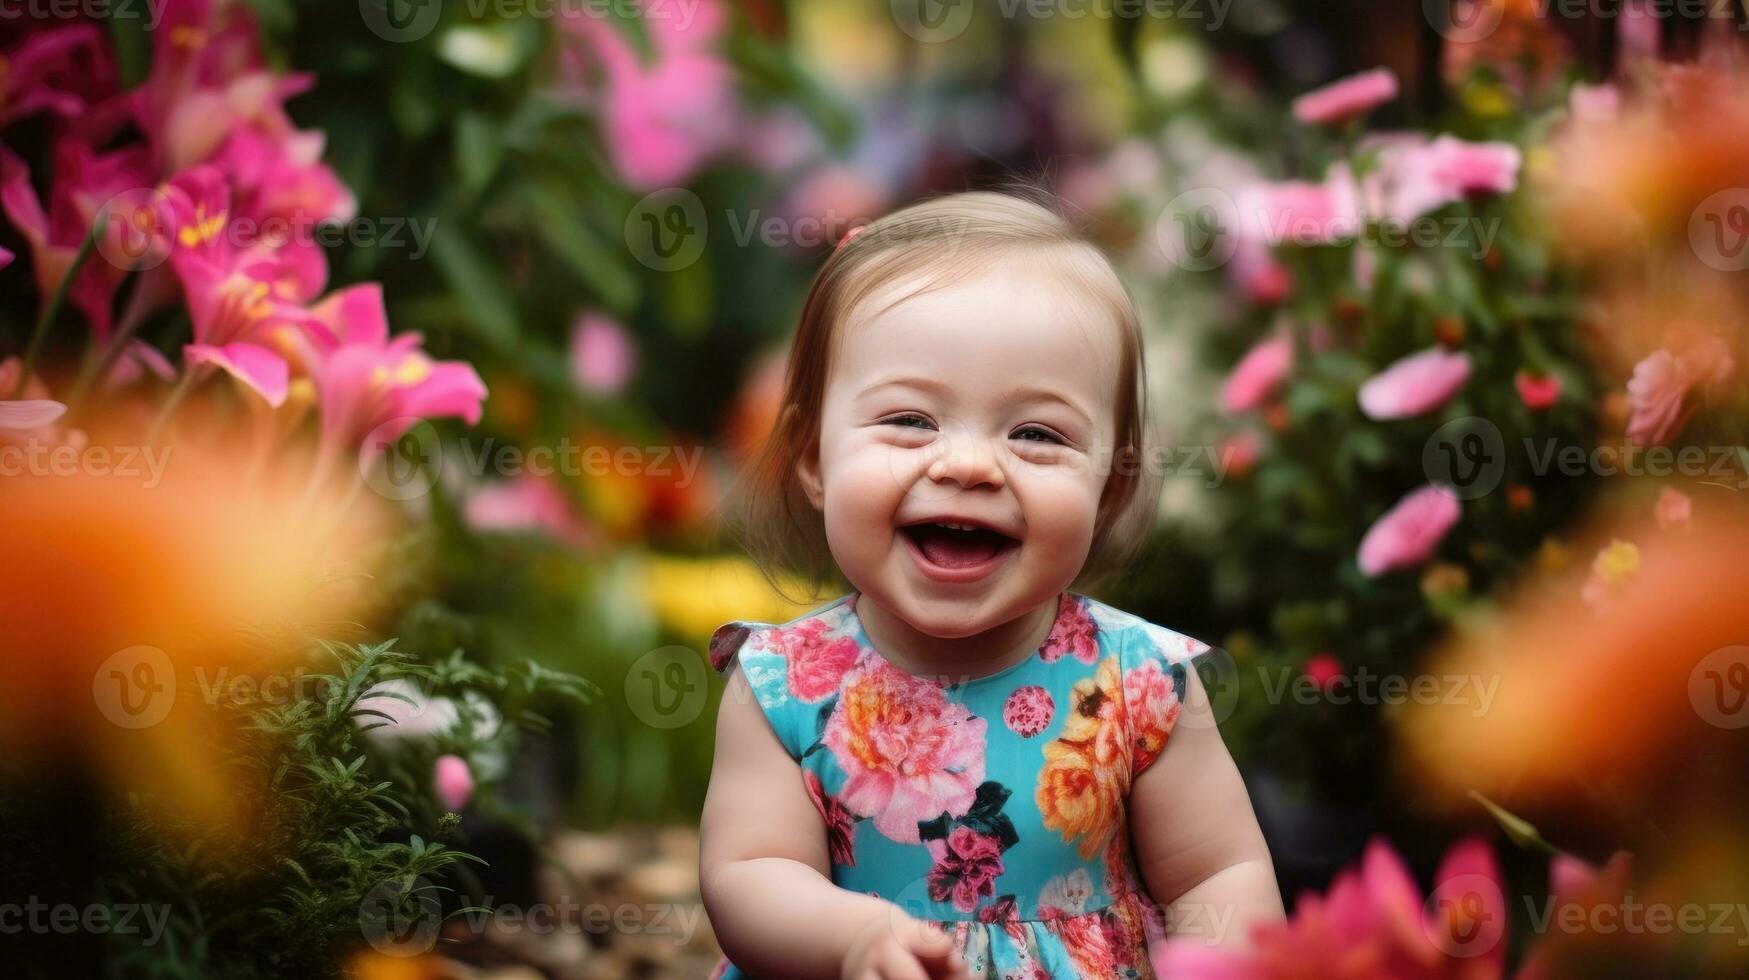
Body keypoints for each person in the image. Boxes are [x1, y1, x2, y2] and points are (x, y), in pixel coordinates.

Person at [700, 190, 1283, 979]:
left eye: (1035, 434)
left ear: (1108, 488)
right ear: (813, 459)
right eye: (910, 420)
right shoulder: (782, 686)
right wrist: (850, 938)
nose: (968, 465)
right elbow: (748, 874)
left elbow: (1217, 875)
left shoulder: (1141, 683)